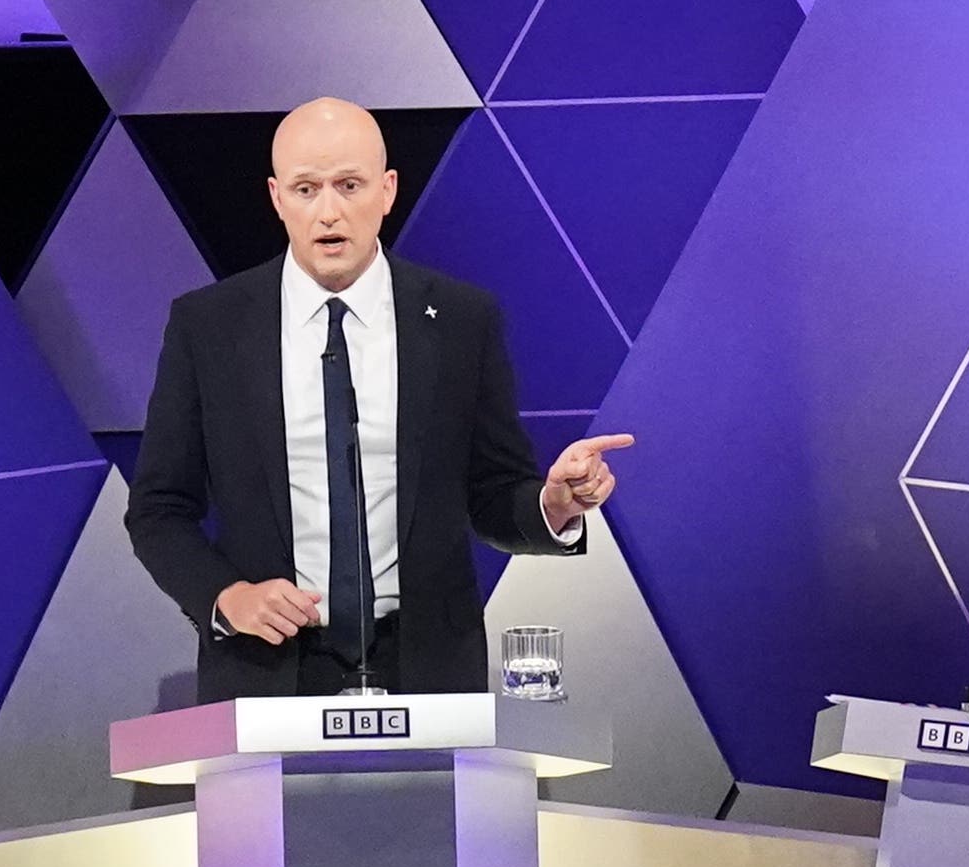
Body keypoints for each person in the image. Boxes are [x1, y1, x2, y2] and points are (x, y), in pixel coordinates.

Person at [128, 96, 628, 698]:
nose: (329, 212)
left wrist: (552, 505)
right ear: (276, 197)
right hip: (264, 673)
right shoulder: (208, 327)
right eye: (307, 189)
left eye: (349, 185)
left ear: (388, 190)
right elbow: (158, 510)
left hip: (427, 670)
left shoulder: (463, 320)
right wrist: (226, 597)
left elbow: (493, 494)